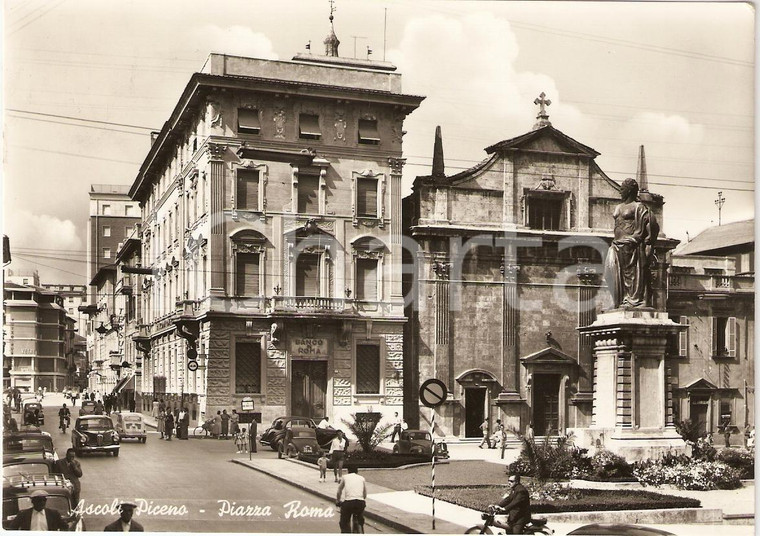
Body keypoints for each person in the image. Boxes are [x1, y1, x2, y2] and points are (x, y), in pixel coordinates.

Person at [603, 177, 659, 309]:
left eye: (622, 189)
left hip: (632, 246)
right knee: (609, 272)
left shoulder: (638, 206)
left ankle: (633, 300)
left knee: (634, 276)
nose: (620, 192)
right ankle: (619, 300)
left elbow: (651, 224)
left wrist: (645, 241)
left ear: (629, 190)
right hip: (617, 245)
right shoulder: (619, 207)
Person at [336, 466, 367, 533]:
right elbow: (364, 494)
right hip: (360, 502)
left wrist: (338, 500)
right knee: (360, 519)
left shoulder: (345, 477)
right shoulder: (362, 478)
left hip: (349, 503)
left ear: (348, 471)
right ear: (357, 471)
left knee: (344, 522)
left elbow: (339, 490)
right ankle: (360, 528)